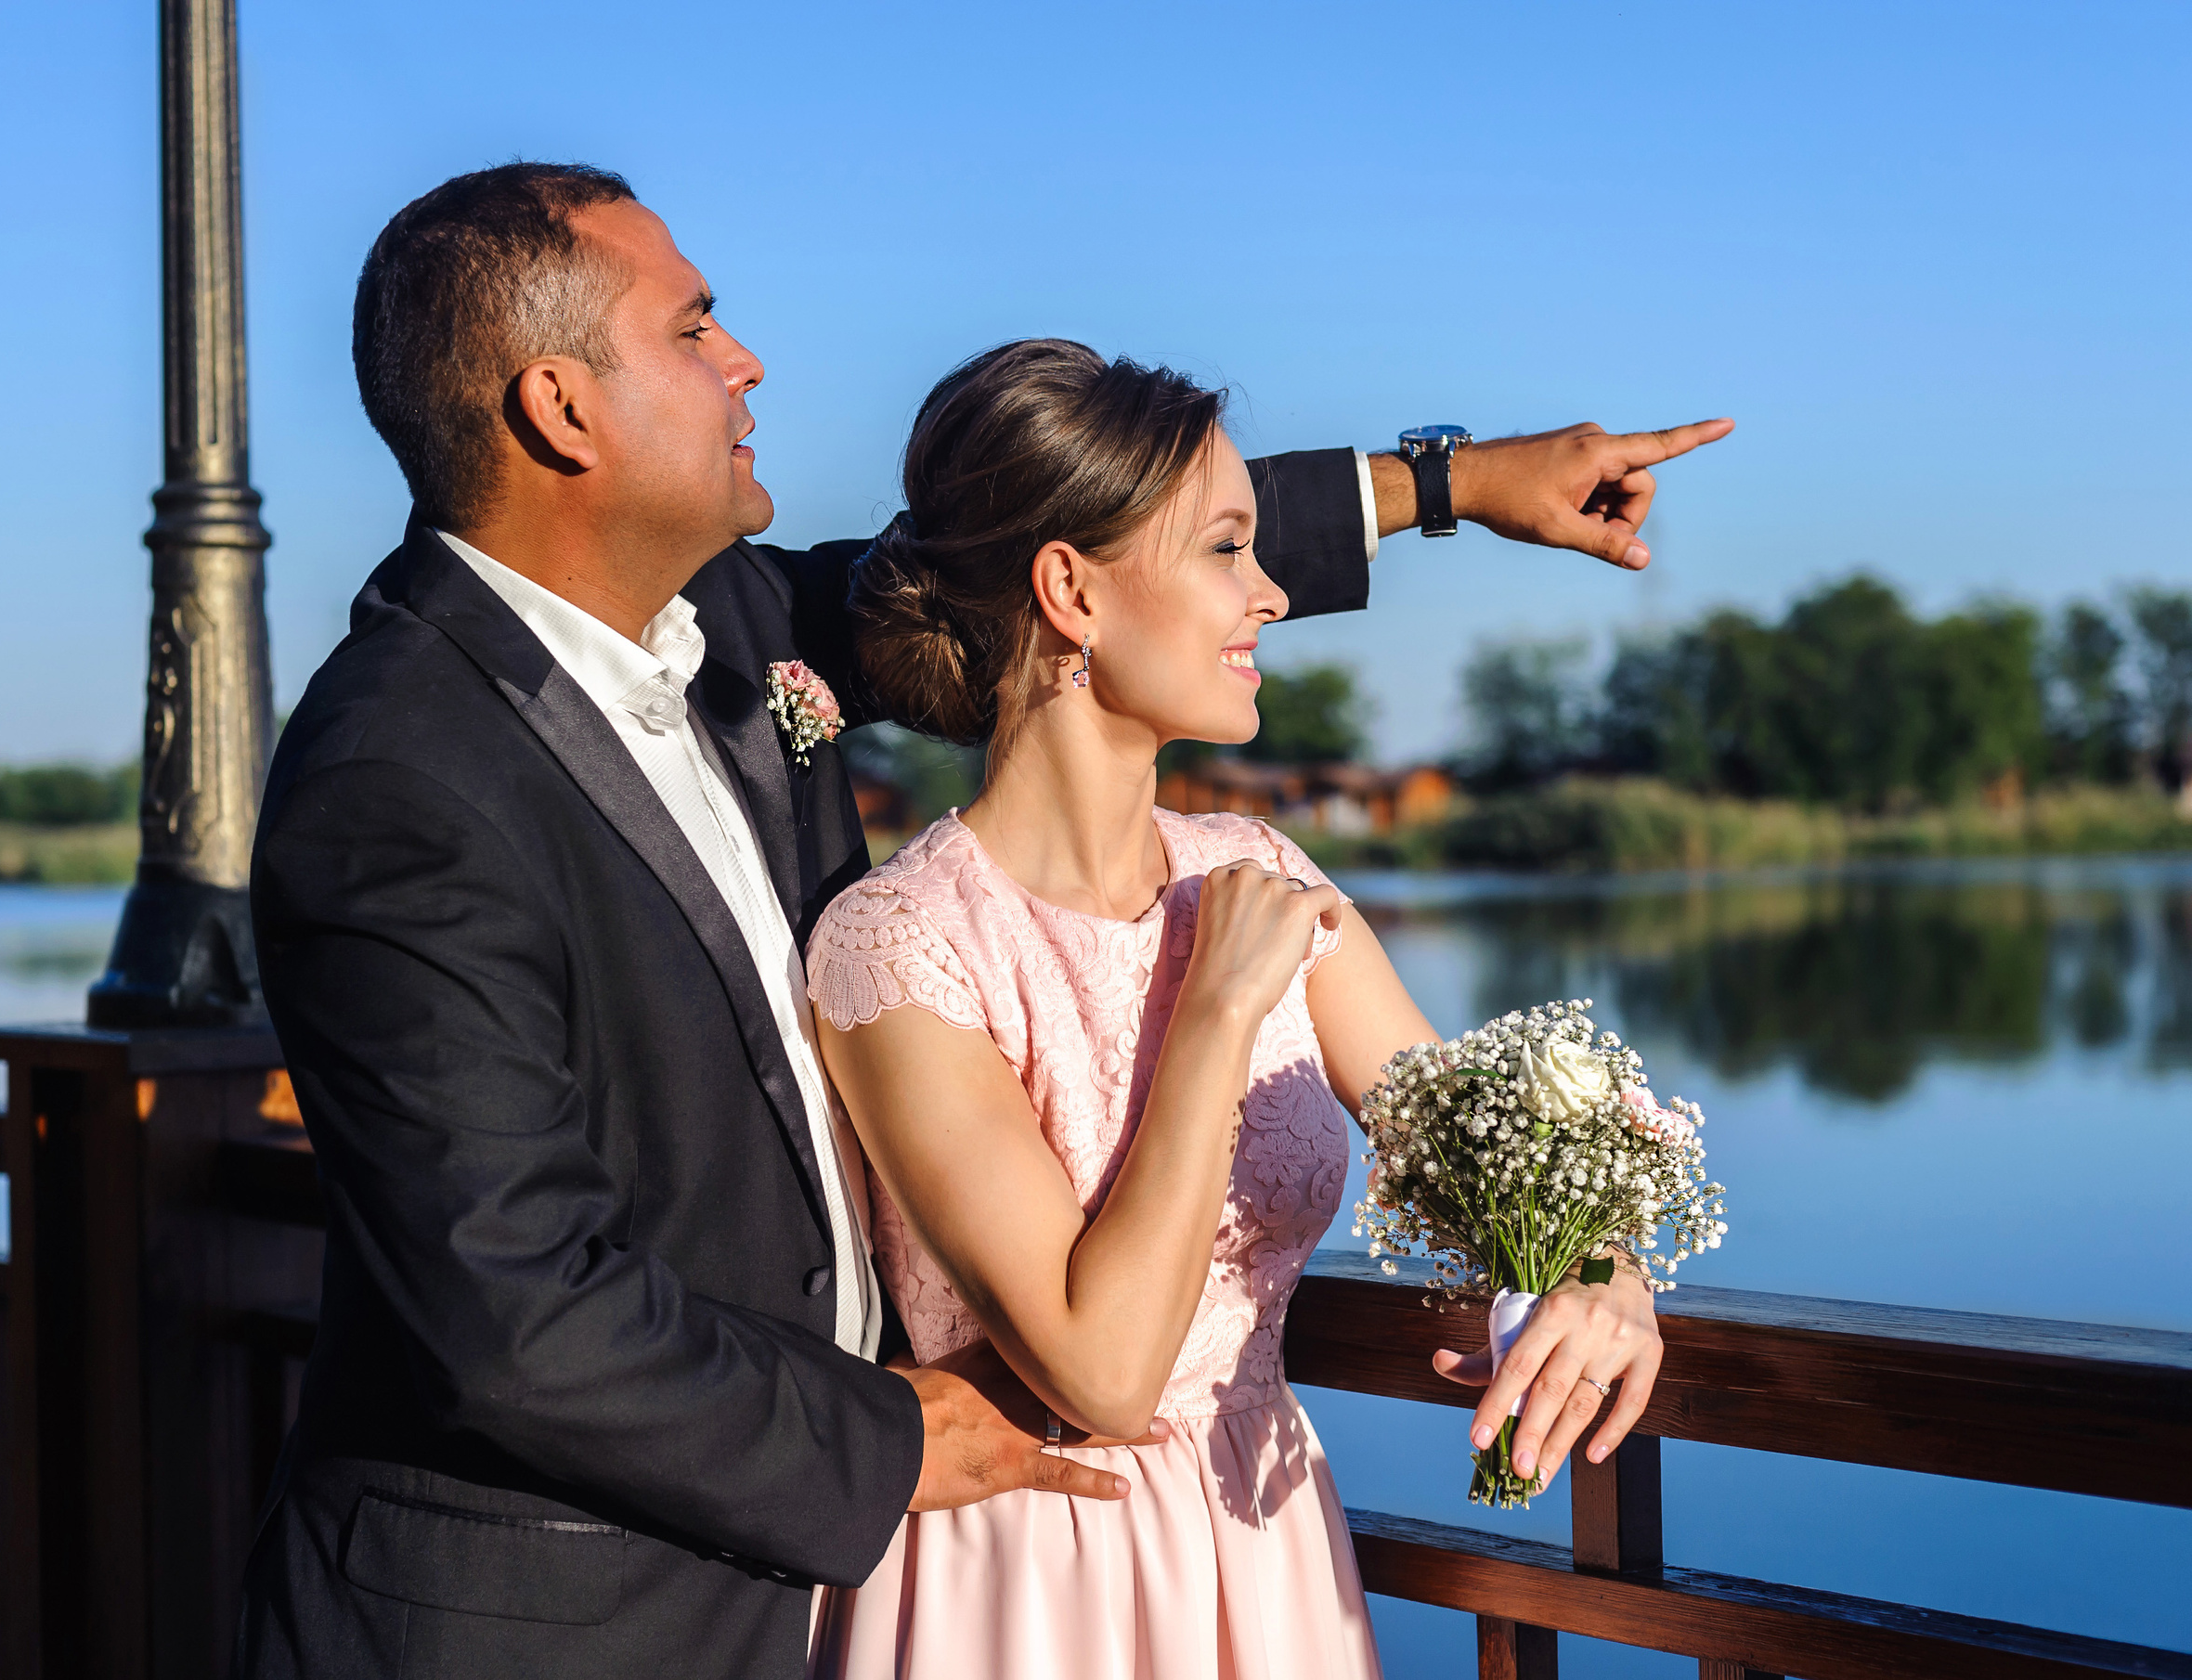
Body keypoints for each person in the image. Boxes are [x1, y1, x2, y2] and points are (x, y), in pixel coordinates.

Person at [235, 161, 1726, 1679]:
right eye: (695, 329)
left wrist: (1461, 484)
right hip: (557, 1617)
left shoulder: (734, 630)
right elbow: (511, 1309)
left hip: (1169, 1563)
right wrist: (883, 1434)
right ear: (563, 408)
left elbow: (1078, 528)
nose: (746, 357)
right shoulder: (399, 777)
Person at [803, 341, 1687, 1679]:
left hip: (1261, 1560)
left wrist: (1604, 1273)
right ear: (1069, 591)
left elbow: (1490, 1159)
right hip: (1032, 1586)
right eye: (1227, 547)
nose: (1271, 592)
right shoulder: (900, 943)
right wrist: (1211, 1016)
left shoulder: (1265, 872)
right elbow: (1100, 1372)